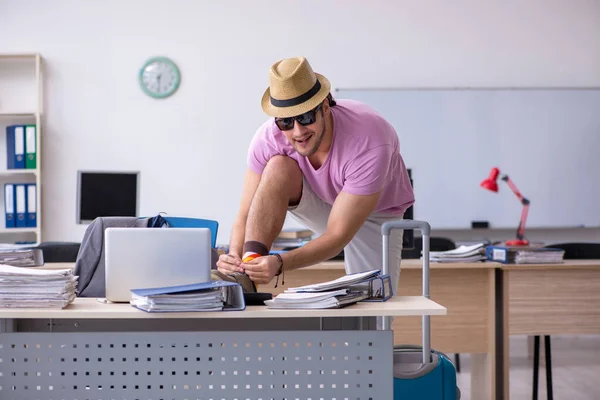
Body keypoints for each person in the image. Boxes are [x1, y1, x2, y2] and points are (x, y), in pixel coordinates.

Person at [215, 56, 414, 293]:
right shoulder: (268, 138)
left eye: (306, 118)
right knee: (278, 166)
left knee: (376, 307)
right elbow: (245, 214)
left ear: (325, 108)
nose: (298, 132)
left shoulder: (369, 140)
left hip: (374, 214)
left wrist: (280, 263)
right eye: (286, 122)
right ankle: (247, 272)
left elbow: (338, 235)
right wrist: (233, 256)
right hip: (321, 200)